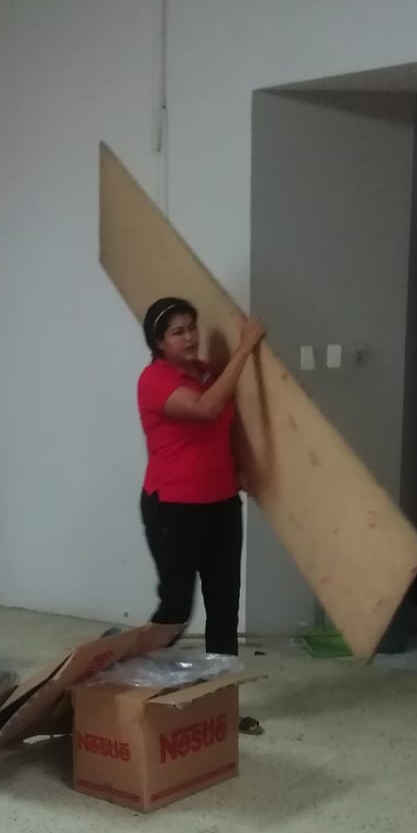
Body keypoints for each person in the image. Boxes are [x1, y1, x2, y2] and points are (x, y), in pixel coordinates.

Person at [137, 295, 264, 734]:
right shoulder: (154, 380)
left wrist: (242, 466)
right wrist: (245, 347)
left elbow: (228, 424)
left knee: (224, 607)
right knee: (175, 610)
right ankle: (125, 680)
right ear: (159, 341)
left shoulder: (209, 372)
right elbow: (206, 409)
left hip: (221, 504)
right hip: (172, 507)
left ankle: (221, 707)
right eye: (178, 331)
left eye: (192, 327)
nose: (189, 337)